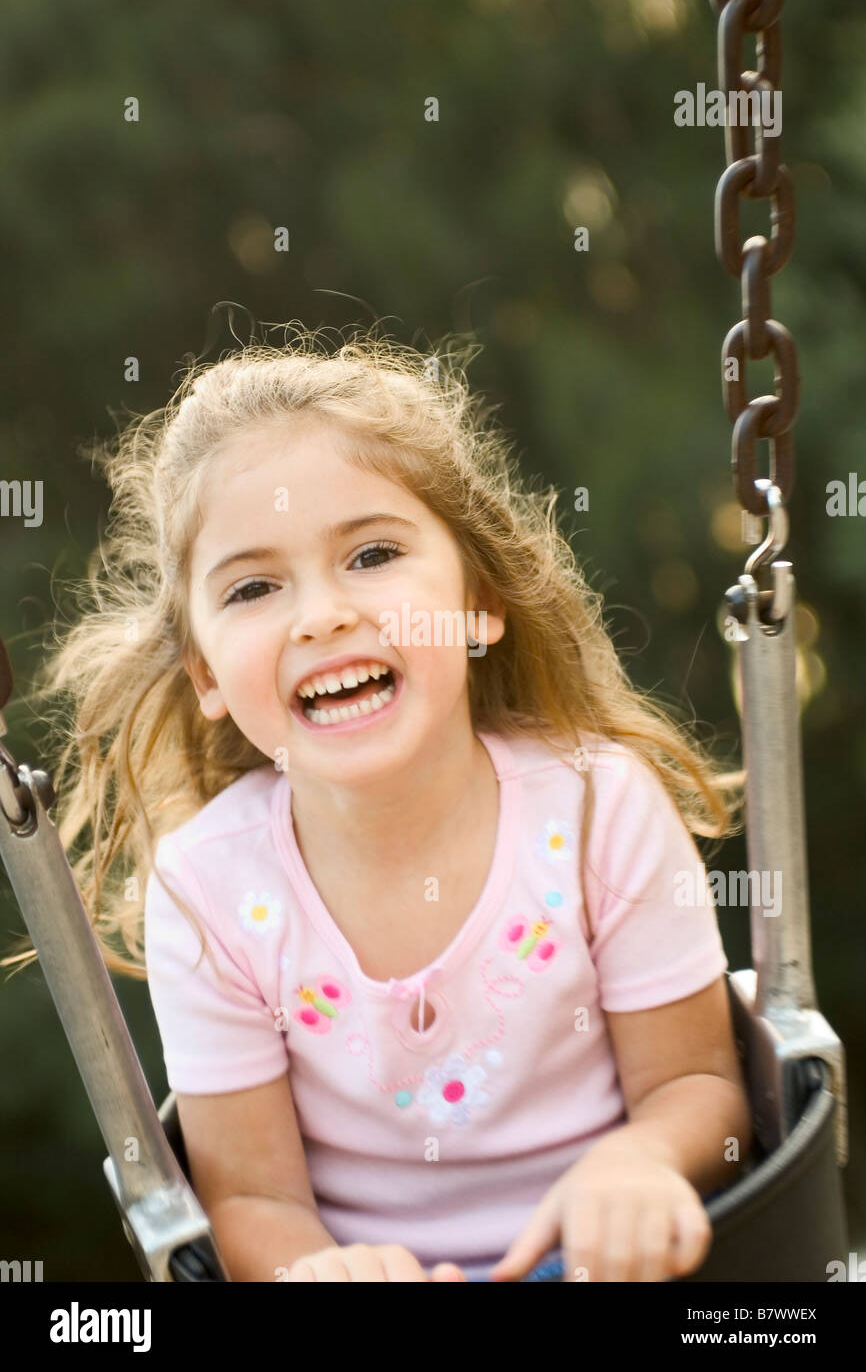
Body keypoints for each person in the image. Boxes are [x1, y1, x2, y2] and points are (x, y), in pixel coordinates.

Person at [1, 326, 752, 1282]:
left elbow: (697, 1084)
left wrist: (643, 1162)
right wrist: (320, 1267)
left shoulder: (598, 809)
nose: (322, 614)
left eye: (372, 555)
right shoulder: (208, 889)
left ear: (480, 600)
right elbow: (249, 1198)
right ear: (205, 672)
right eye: (256, 587)